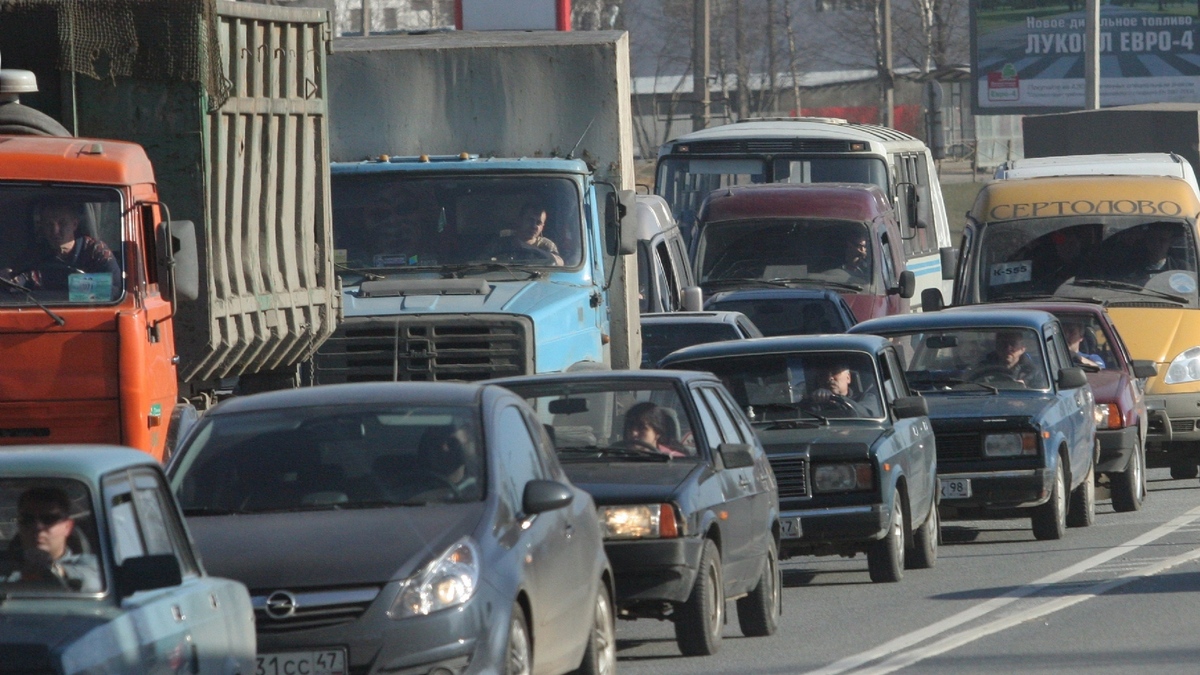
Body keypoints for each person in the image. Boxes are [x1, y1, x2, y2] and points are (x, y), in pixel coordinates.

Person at [1, 201, 120, 292]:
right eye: (49, 224)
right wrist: (9, 279)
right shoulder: (34, 254)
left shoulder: (96, 251)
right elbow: (19, 282)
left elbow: (116, 290)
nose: (55, 230)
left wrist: (69, 283)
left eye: (62, 223)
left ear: (74, 224)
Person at [6, 486, 100, 592]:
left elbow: (94, 581)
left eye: (49, 519)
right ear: (19, 524)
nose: (37, 527)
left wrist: (56, 571)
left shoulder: (90, 564)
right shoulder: (5, 567)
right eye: (27, 519)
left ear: (67, 527)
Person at [488, 204, 563, 265]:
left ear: (543, 227)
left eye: (538, 223)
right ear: (520, 220)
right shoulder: (503, 241)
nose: (534, 226)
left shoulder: (546, 245)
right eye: (530, 220)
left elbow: (560, 263)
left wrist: (531, 249)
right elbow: (482, 261)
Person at [972, 329, 1045, 387]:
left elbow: (1042, 399)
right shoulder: (982, 369)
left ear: (1023, 348)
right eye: (1003, 344)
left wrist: (1025, 389)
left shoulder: (1034, 372)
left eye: (1013, 344)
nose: (1008, 348)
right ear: (997, 347)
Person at [803, 362, 876, 417]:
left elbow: (868, 415)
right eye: (824, 374)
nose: (830, 378)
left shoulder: (866, 398)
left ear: (848, 378)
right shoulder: (812, 402)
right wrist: (813, 401)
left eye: (835, 372)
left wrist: (838, 399)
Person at [621, 402, 686, 457]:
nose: (633, 433)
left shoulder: (675, 461)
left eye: (642, 428)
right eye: (630, 427)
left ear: (658, 432)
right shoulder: (616, 458)